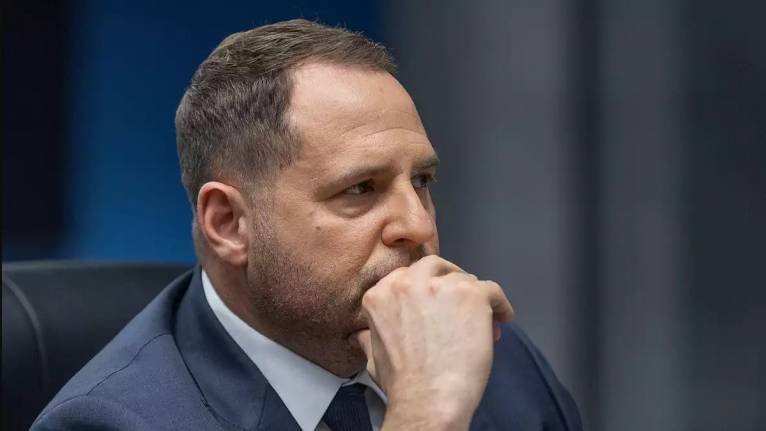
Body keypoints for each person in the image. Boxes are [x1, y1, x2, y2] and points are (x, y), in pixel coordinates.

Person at [32, 19, 582, 430]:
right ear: (229, 223)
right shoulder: (110, 422)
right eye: (360, 189)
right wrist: (426, 413)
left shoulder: (484, 356)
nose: (417, 225)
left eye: (421, 181)